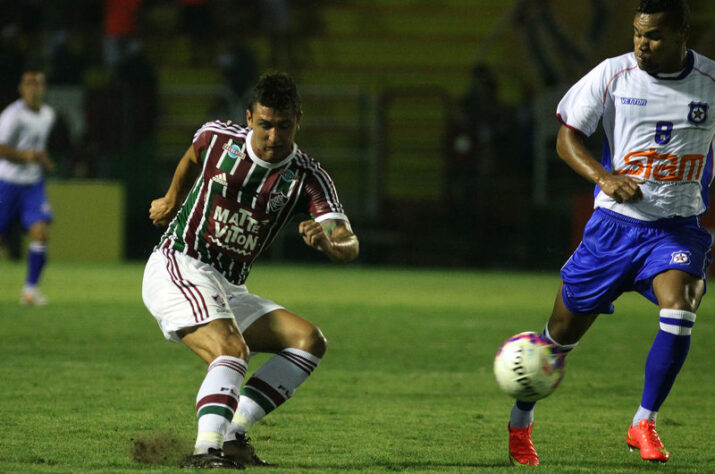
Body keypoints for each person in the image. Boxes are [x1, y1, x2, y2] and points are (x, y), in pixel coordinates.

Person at [507, 0, 713, 466]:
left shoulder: (710, 83)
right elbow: (567, 139)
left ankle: (644, 421)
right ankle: (521, 420)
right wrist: (605, 178)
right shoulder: (612, 74)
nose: (642, 44)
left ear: (684, 34)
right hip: (614, 231)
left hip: (677, 230)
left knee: (680, 309)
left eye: (655, 36)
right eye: (638, 34)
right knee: (559, 338)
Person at [142, 72, 359, 469]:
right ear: (249, 119)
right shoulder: (217, 138)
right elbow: (192, 155)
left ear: (298, 121)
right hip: (180, 263)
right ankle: (206, 451)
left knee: (309, 341)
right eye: (265, 125)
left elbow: (348, 242)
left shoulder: (308, 178)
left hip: (227, 286)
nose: (273, 136)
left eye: (283, 125)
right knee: (232, 350)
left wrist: (330, 243)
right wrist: (173, 198)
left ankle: (232, 434)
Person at [0, 66, 56, 305]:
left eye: (38, 84)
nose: (34, 88)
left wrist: (43, 159)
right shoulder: (13, 115)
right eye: (29, 84)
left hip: (33, 184)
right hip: (7, 182)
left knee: (40, 233)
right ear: (21, 88)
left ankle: (30, 291)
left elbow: (37, 146)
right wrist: (25, 156)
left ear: (43, 88)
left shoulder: (48, 115)